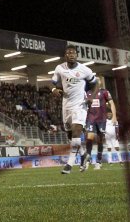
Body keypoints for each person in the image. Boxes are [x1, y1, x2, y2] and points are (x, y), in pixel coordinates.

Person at [51, 45, 98, 174]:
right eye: (69, 53)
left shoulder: (85, 70)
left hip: (80, 105)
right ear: (65, 56)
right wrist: (54, 90)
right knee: (70, 135)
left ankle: (69, 164)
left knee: (77, 132)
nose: (71, 55)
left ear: (77, 55)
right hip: (66, 105)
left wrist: (91, 97)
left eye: (73, 53)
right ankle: (83, 155)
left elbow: (96, 84)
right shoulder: (59, 68)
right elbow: (54, 82)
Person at [81, 89, 117, 171]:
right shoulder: (87, 92)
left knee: (100, 140)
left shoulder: (105, 92)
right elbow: (82, 105)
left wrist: (114, 116)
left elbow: (111, 103)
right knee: (89, 137)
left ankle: (98, 161)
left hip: (101, 120)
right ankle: (88, 160)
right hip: (90, 119)